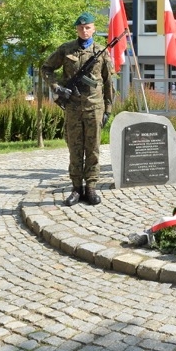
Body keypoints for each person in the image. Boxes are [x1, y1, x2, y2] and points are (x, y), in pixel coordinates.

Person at [41, 12, 114, 207]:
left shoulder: (101, 51)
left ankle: (91, 187)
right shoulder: (66, 49)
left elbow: (108, 82)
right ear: (76, 29)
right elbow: (46, 68)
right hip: (73, 107)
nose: (84, 30)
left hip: (94, 107)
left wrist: (108, 109)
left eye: (88, 27)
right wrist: (56, 87)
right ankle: (76, 188)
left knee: (93, 149)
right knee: (75, 148)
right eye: (81, 27)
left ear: (94, 29)